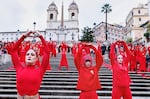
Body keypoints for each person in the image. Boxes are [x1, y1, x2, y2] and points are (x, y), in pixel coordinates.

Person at [7, 31, 50, 99]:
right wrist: (23, 36)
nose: (29, 56)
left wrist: (41, 37)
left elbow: (47, 52)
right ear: (25, 57)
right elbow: (13, 51)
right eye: (27, 54)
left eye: (32, 54)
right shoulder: (19, 68)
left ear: (36, 59)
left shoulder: (40, 70)